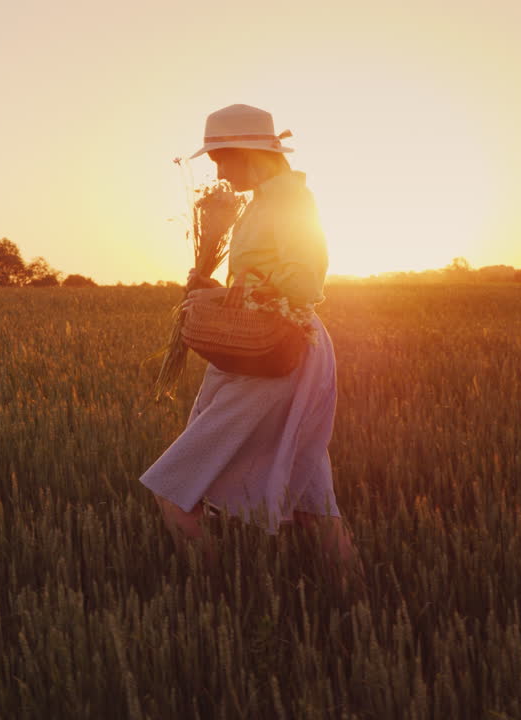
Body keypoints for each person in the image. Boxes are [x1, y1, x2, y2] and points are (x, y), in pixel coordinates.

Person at [140, 104, 358, 577]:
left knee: (172, 489)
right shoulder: (263, 200)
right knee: (312, 506)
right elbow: (265, 278)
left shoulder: (290, 202)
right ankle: (362, 602)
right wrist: (219, 288)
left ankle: (219, 606)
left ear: (248, 153)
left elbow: (304, 282)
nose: (216, 170)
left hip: (278, 350)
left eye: (220, 158)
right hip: (273, 348)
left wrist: (239, 293)